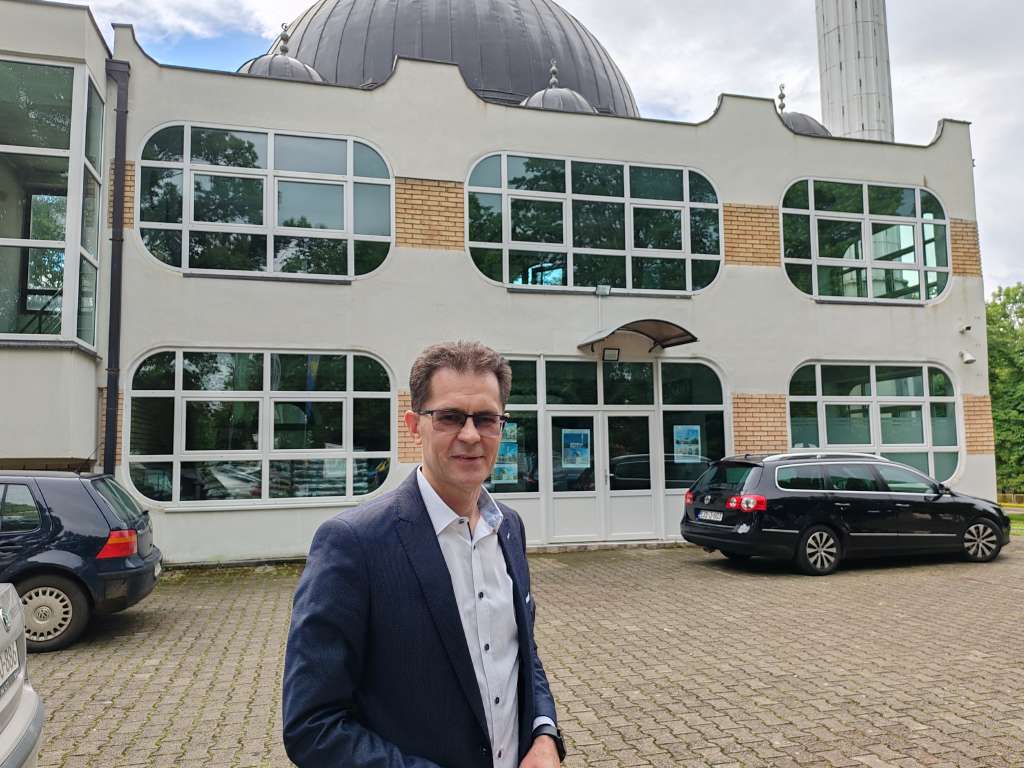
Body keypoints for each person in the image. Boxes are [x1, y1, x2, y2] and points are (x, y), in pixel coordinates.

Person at [283, 341, 564, 768]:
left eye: (486, 419)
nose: (470, 435)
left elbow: (522, 655)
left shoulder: (509, 528)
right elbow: (312, 726)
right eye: (450, 417)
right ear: (415, 425)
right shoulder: (353, 545)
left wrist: (545, 733)